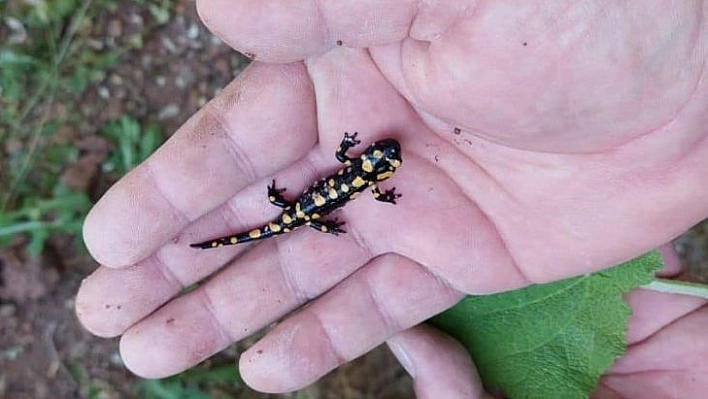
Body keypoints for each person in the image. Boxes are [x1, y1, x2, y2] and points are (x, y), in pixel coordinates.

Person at [76, 2, 708, 397]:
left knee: (281, 217)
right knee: (278, 219)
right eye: (379, 159)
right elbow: (354, 175)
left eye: (377, 159)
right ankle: (242, 231)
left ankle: (250, 228)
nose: (378, 158)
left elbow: (356, 172)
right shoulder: (356, 175)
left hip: (313, 205)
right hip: (309, 208)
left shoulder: (357, 172)